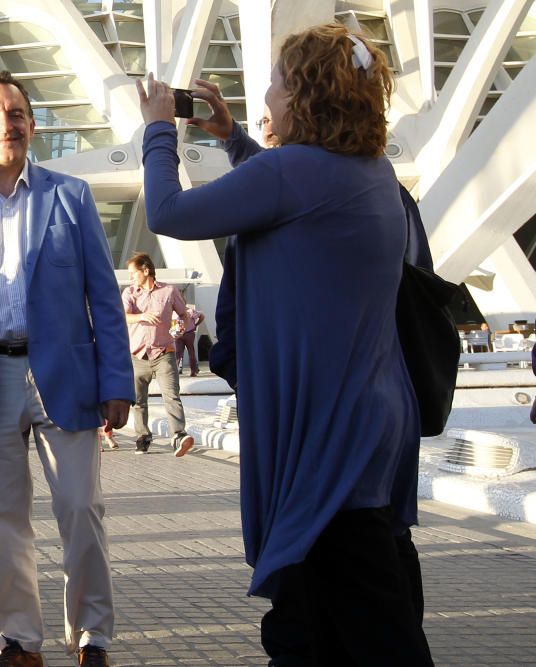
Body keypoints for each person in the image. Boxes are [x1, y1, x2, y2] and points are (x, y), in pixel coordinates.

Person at [137, 24, 433, 665]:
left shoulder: (296, 173)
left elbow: (167, 214)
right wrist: (235, 139)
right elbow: (288, 193)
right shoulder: (370, 172)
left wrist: (160, 128)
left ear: (303, 94)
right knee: (324, 612)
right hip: (372, 424)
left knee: (363, 626)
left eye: (273, 83)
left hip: (327, 436)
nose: (265, 97)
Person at [0, 70, 134, 667]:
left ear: (32, 125)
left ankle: (92, 637)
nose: (4, 125)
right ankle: (18, 640)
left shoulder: (70, 195)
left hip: (64, 375)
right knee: (3, 519)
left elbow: (103, 297)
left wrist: (118, 380)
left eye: (15, 114)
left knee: (80, 508)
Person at [123, 252, 195, 456]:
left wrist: (181, 327)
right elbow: (123, 316)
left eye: (133, 273)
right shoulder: (130, 293)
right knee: (138, 401)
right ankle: (143, 436)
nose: (131, 278)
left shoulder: (169, 291)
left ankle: (179, 435)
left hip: (164, 352)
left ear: (146, 271)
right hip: (137, 355)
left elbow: (184, 314)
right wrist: (141, 316)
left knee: (172, 396)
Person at [175, 305, 203, 376]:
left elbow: (202, 316)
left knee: (189, 352)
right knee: (178, 352)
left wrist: (196, 324)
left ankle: (193, 371)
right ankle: (175, 371)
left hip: (188, 333)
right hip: (179, 333)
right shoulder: (175, 311)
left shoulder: (190, 311)